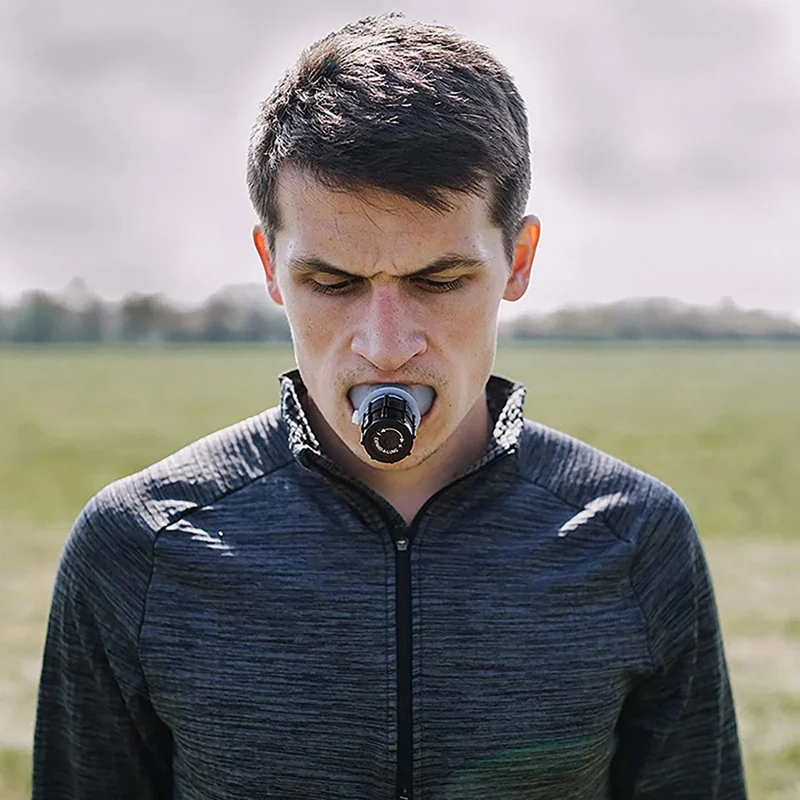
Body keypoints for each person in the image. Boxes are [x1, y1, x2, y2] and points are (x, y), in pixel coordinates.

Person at [32, 13, 747, 800]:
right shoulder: (136, 547)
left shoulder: (638, 540)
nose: (385, 346)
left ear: (518, 260)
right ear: (270, 266)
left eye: (438, 281)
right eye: (332, 282)